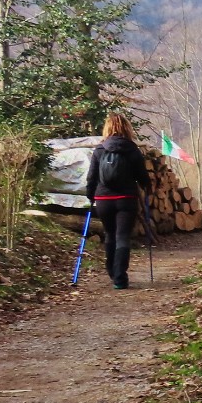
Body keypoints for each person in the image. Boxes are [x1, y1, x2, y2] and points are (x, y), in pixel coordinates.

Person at [83, 114, 151, 289]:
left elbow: (92, 177)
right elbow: (142, 176)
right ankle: (120, 277)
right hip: (126, 199)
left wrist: (90, 195)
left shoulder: (99, 150)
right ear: (126, 128)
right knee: (122, 236)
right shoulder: (132, 150)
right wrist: (147, 186)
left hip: (103, 198)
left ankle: (112, 272)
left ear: (107, 128)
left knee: (110, 234)